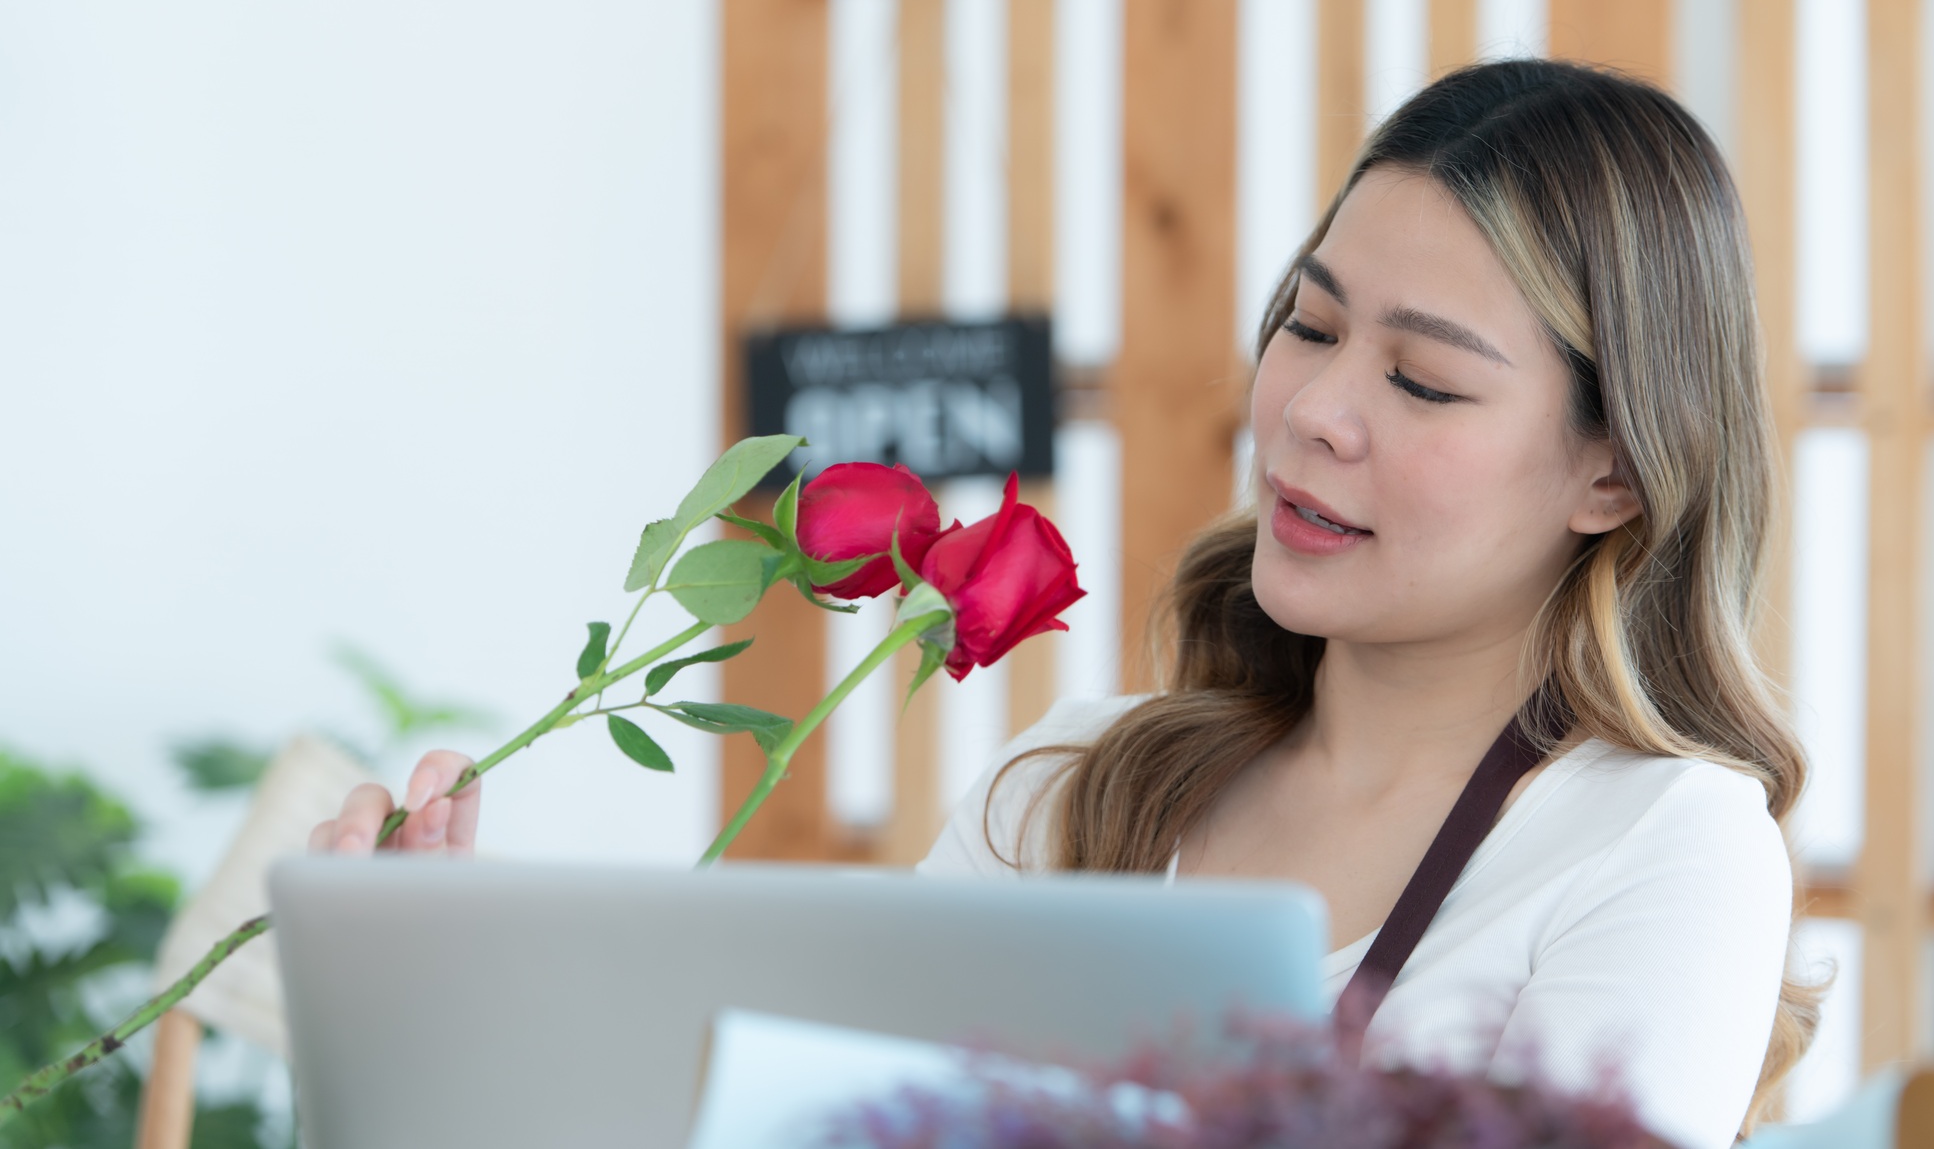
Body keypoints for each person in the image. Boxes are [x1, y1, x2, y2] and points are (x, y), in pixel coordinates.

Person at [312, 60, 1814, 1149]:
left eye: (1421, 379)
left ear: (1613, 473)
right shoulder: (1077, 784)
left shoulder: (1665, 848)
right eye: (1307, 322)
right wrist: (435, 1013)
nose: (1311, 412)